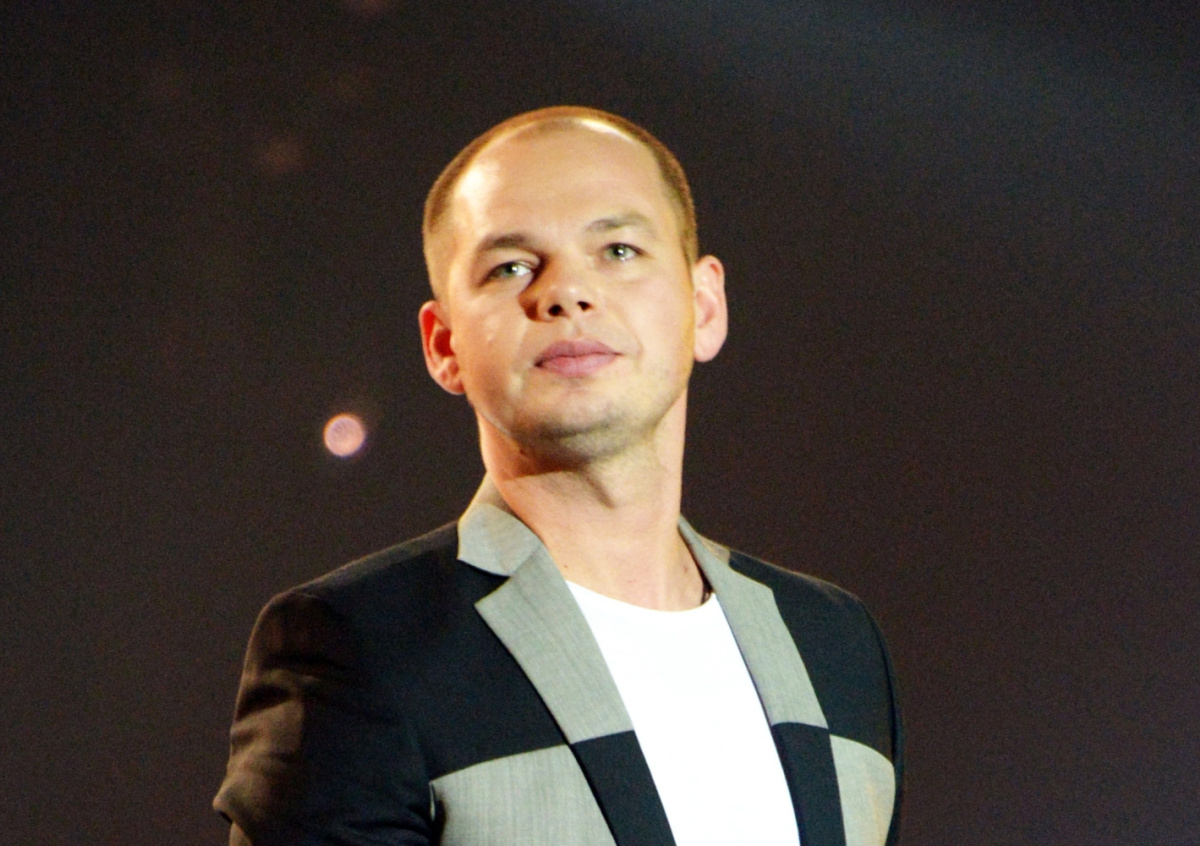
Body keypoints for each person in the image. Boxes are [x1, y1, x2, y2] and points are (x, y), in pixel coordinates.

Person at [214, 106, 903, 846]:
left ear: (704, 306)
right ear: (443, 344)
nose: (566, 292)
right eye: (511, 267)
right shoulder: (363, 647)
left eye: (618, 250)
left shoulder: (833, 644)